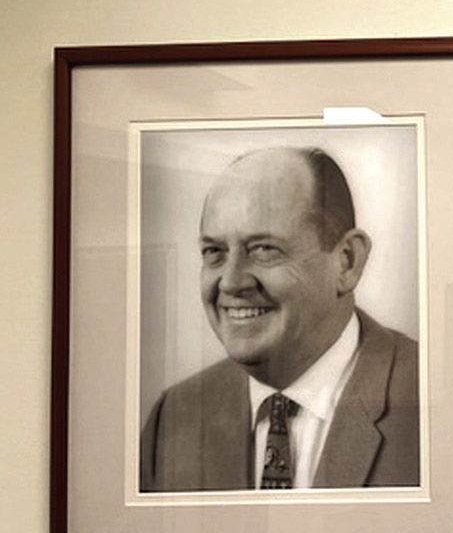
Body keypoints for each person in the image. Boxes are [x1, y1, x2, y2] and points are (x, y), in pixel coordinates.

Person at [140, 147, 419, 492]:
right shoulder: (174, 417)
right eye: (214, 252)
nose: (230, 283)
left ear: (347, 261)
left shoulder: (431, 401)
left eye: (264, 249)